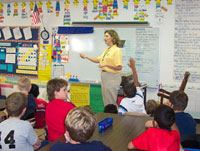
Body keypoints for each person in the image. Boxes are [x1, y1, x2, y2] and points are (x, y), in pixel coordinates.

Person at [80, 30, 122, 107]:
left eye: (107, 36)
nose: (104, 38)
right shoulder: (107, 50)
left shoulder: (116, 50)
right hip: (105, 76)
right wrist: (86, 56)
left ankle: (113, 117)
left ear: (113, 37)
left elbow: (119, 67)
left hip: (112, 77)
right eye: (104, 36)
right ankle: (108, 116)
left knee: (111, 101)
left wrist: (106, 65)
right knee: (106, 101)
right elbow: (98, 59)